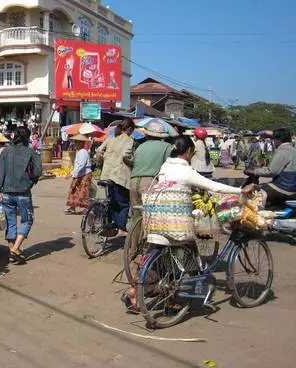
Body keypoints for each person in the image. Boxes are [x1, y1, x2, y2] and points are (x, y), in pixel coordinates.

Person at [122, 134, 249, 312]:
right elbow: (214, 186)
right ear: (188, 151)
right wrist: (241, 190)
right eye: (192, 153)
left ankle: (135, 291)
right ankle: (176, 299)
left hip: (157, 221)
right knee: (185, 257)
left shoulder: (165, 166)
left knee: (161, 255)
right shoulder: (186, 170)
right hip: (175, 225)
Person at [0, 126, 42, 264]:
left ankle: (12, 252)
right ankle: (15, 249)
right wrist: (31, 180)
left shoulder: (5, 151)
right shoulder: (31, 152)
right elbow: (38, 171)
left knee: (11, 222)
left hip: (6, 193)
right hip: (23, 192)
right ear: (27, 137)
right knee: (27, 220)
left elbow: (0, 173)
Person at [96, 119, 136, 236]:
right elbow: (125, 155)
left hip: (106, 174)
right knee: (123, 203)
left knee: (111, 200)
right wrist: (132, 163)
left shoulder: (110, 139)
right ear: (129, 129)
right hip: (119, 176)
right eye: (132, 130)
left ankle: (109, 224)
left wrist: (100, 164)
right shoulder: (129, 140)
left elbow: (99, 151)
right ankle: (121, 228)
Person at [128, 121, 172, 219]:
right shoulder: (167, 146)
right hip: (150, 182)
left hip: (133, 181)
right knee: (150, 217)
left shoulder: (141, 146)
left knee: (137, 216)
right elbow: (170, 165)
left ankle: (135, 234)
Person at [245, 128, 296, 205]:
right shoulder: (293, 150)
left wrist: (253, 171)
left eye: (274, 140)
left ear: (277, 140)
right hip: (292, 187)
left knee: (250, 190)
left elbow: (272, 171)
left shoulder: (283, 150)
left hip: (282, 189)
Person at [65, 135, 93, 215]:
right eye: (75, 142)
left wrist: (73, 174)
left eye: (77, 142)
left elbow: (81, 165)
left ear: (81, 143)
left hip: (84, 174)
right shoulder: (80, 152)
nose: (75, 144)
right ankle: (72, 207)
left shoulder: (83, 152)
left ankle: (86, 208)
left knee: (83, 191)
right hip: (79, 174)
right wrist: (73, 173)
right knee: (74, 190)